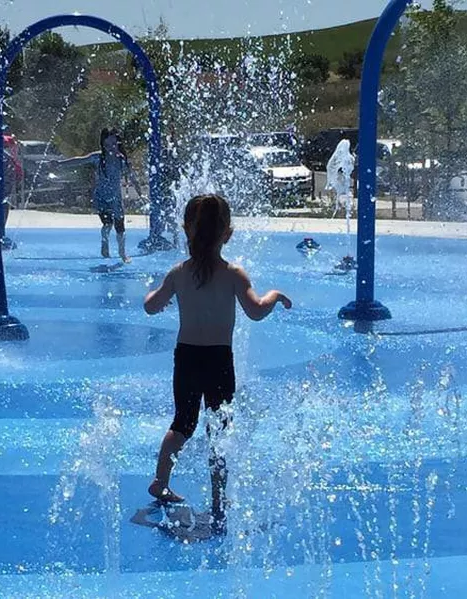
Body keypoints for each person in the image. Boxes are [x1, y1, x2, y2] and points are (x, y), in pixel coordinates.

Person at [143, 194, 292, 534]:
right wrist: (274, 295)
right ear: (228, 233)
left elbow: (151, 307)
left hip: (187, 356)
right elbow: (255, 311)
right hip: (218, 360)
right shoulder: (233, 274)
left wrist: (150, 294)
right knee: (219, 432)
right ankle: (218, 497)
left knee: (182, 423)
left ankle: (160, 481)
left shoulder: (179, 273)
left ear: (186, 231)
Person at [54, 128, 143, 262]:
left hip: (116, 198)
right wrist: (60, 164)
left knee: (120, 225)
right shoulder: (98, 157)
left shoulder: (121, 160)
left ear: (118, 144)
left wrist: (140, 193)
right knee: (107, 224)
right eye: (107, 145)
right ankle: (105, 242)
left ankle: (122, 253)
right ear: (103, 145)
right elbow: (79, 160)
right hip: (102, 197)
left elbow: (132, 177)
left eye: (113, 144)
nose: (111, 148)